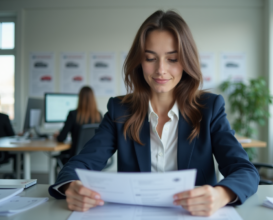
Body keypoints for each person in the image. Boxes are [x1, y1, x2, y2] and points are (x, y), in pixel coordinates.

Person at [49, 10, 259, 217]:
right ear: (139, 62)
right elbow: (79, 164)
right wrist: (72, 188)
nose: (160, 69)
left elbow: (244, 170)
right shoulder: (120, 109)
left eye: (172, 59)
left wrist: (220, 194)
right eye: (150, 58)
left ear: (186, 61)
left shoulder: (209, 107)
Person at [54, 86, 102, 164]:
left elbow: (61, 138)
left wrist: (57, 135)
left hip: (76, 157)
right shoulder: (99, 115)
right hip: (93, 157)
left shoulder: (73, 114)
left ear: (80, 98)